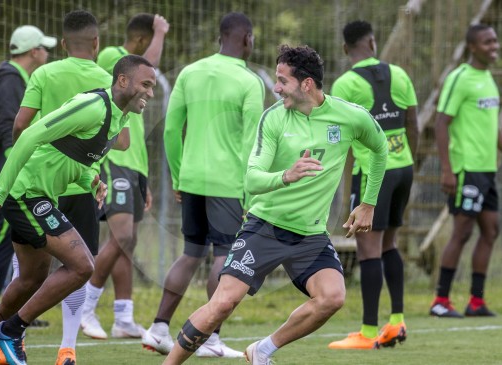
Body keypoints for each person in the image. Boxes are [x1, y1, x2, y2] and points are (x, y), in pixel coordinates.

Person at [163, 44, 388, 365]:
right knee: (223, 303)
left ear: (306, 84)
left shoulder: (350, 117)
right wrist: (286, 175)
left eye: (282, 80)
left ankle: (263, 349)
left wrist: (368, 203)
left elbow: (380, 150)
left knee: (332, 297)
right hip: (264, 228)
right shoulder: (274, 119)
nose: (276, 87)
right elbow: (251, 179)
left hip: (310, 236)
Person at [0, 54, 156, 365]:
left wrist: (91, 179)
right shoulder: (93, 106)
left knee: (30, 278)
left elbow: (73, 156)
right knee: (83, 266)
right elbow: (31, 136)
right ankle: (11, 331)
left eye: (153, 86)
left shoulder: (119, 119)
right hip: (26, 194)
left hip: (39, 194)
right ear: (123, 80)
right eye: (146, 84)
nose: (150, 92)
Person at [141, 12, 264, 358]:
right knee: (225, 258)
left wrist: (179, 175)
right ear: (246, 39)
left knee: (191, 253)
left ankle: (158, 328)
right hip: (229, 183)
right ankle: (210, 338)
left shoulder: (190, 72)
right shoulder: (249, 81)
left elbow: (170, 130)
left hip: (192, 178)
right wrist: (248, 190)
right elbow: (250, 143)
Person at [10, 10, 115, 365]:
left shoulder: (44, 72)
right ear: (97, 43)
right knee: (80, 267)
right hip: (84, 186)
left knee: (25, 264)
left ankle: (13, 341)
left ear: (65, 44)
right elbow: (125, 140)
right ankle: (67, 349)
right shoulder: (109, 80)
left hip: (39, 185)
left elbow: (22, 125)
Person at [328, 20, 418, 349]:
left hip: (373, 173)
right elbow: (413, 123)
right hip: (404, 167)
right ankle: (396, 323)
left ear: (345, 48)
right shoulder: (401, 74)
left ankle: (367, 334)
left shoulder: (345, 84)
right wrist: (409, 163)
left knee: (369, 250)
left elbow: (338, 137)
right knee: (390, 244)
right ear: (373, 42)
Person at [80, 13, 169, 340]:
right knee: (122, 237)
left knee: (126, 244)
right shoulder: (110, 57)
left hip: (136, 165)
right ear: (143, 40)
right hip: (115, 160)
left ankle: (123, 317)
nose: (148, 83)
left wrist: (144, 180)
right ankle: (85, 308)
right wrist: (161, 31)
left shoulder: (137, 90)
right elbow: (148, 65)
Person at [0, 25, 56, 331]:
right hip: (4, 181)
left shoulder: (17, 80)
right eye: (44, 48)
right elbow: (9, 132)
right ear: (34, 51)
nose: (47, 52)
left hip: (6, 178)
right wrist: (19, 173)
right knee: (3, 245)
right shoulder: (9, 82)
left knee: (15, 247)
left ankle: (11, 309)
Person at [430, 23, 502, 318]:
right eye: (488, 42)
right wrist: (447, 170)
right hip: (466, 169)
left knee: (490, 230)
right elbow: (441, 122)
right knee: (462, 231)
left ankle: (476, 302)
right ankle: (440, 301)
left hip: (487, 170)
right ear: (473, 47)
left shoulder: (488, 78)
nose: (495, 46)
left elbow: (492, 129)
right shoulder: (460, 78)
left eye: (495, 41)